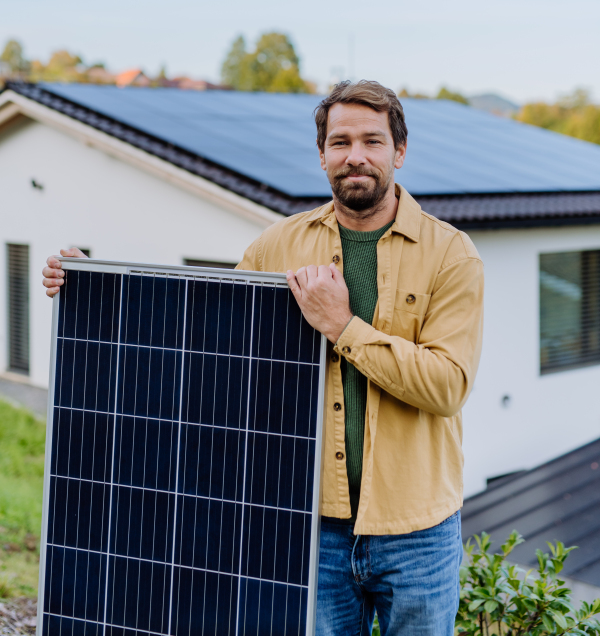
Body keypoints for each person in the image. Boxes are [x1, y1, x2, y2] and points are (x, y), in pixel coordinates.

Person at [43, 79, 484, 636]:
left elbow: (447, 386)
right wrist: (96, 289)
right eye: (340, 141)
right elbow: (205, 348)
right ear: (321, 154)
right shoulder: (276, 247)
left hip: (417, 527)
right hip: (306, 524)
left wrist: (341, 326)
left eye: (372, 141)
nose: (355, 156)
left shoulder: (452, 255)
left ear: (399, 151)